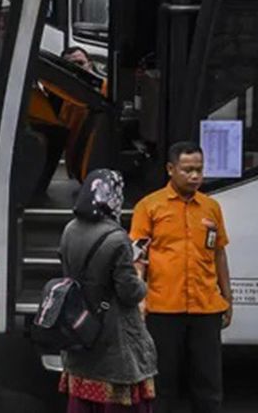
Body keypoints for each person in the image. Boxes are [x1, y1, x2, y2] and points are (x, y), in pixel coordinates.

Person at [130, 141, 232, 413]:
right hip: (164, 309)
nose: (195, 176)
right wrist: (140, 301)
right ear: (170, 169)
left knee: (208, 386)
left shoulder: (211, 208)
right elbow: (138, 258)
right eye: (187, 170)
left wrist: (227, 298)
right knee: (163, 386)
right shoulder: (148, 207)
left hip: (205, 308)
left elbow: (219, 254)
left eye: (199, 169)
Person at [59, 169, 158, 412]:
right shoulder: (116, 238)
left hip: (80, 324)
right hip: (113, 333)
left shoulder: (70, 229)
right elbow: (129, 292)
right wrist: (139, 272)